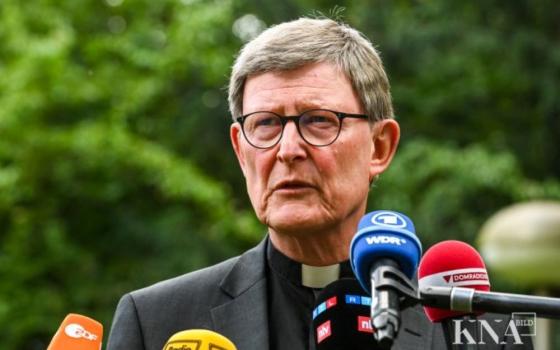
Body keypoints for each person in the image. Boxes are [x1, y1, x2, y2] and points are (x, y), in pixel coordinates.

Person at [107, 18, 532, 350]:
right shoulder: (158, 322)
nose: (288, 149)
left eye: (318, 121)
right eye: (267, 124)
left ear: (380, 147)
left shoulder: (480, 328)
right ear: (241, 150)